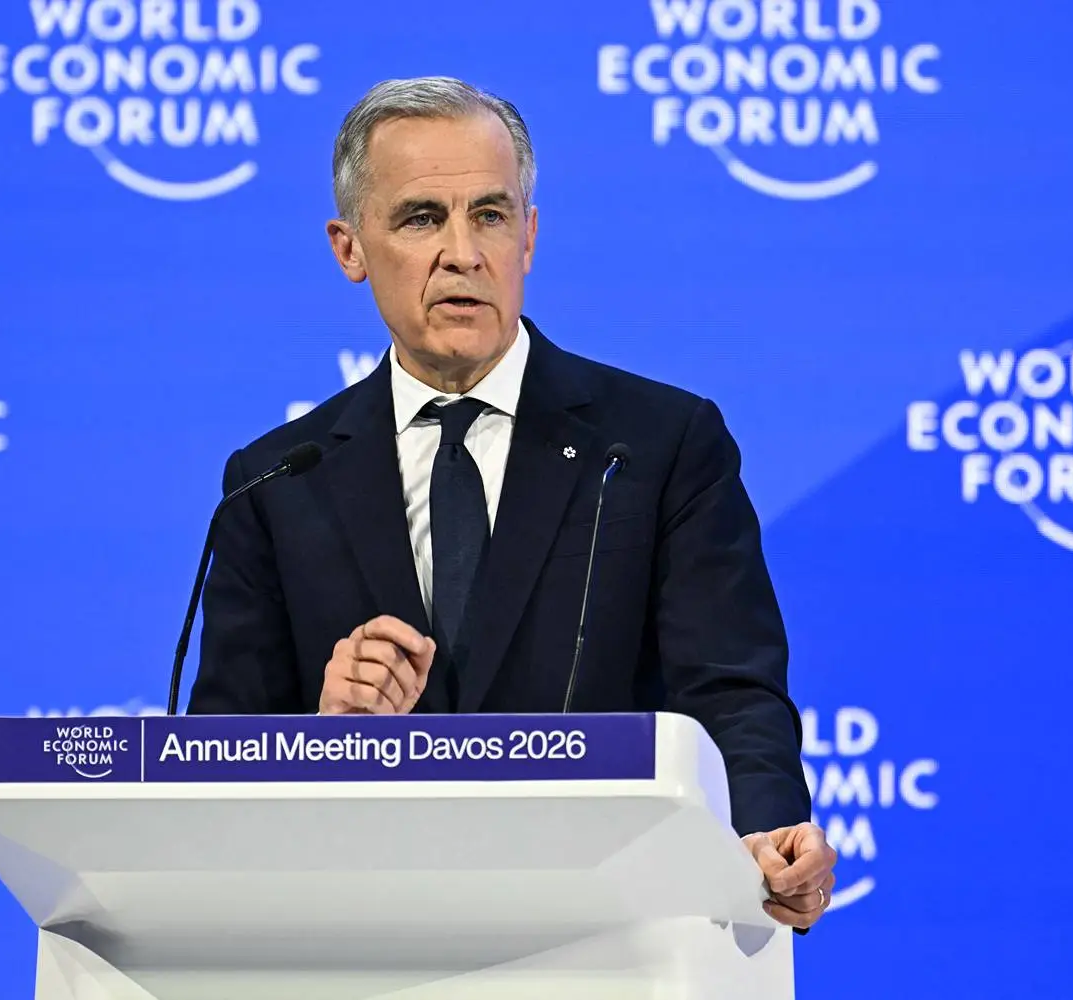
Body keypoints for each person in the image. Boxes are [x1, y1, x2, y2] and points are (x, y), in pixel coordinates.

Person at [187, 76, 836, 931]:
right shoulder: (277, 481)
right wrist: (321, 733)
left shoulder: (657, 444)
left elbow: (731, 693)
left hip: (609, 935)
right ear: (349, 248)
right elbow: (214, 764)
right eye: (422, 218)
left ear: (529, 236)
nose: (464, 252)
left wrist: (766, 833)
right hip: (364, 942)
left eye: (490, 215)